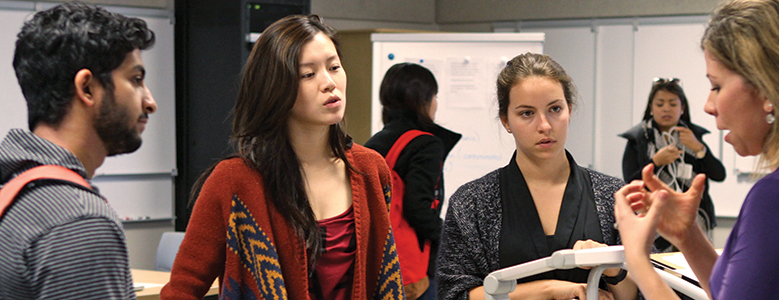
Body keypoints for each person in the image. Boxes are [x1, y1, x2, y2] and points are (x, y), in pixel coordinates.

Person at [614, 0, 779, 299]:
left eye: (716, 86)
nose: (708, 106)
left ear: (768, 88)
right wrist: (687, 236)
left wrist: (638, 261)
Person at [160, 15, 404, 300]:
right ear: (275, 86)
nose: (329, 83)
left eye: (334, 67)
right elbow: (182, 289)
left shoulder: (370, 169)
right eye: (308, 74)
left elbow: (382, 274)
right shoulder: (234, 181)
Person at [437, 53, 638, 300]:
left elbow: (642, 293)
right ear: (506, 121)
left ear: (570, 110)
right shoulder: (472, 202)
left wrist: (611, 266)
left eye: (555, 109)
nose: (544, 125)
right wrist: (550, 291)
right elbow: (455, 295)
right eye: (526, 113)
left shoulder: (614, 197)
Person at [0, 3, 156, 299]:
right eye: (136, 80)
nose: (150, 102)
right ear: (87, 88)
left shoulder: (12, 190)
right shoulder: (79, 221)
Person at [365, 63, 461, 300]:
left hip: (375, 261)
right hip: (413, 268)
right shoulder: (426, 144)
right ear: (423, 101)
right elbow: (417, 207)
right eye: (434, 96)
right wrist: (449, 236)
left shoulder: (374, 143)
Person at [619, 77, 725, 251]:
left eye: (673, 104)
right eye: (660, 104)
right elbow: (630, 182)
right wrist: (655, 162)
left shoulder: (693, 135)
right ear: (651, 108)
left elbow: (719, 175)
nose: (666, 109)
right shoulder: (638, 138)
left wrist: (699, 148)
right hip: (653, 218)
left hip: (695, 218)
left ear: (682, 108)